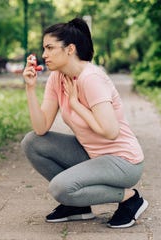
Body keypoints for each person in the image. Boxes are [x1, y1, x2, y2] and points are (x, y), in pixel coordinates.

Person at [21, 17, 148, 228]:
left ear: (70, 49)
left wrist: (75, 104)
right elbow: (40, 127)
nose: (44, 55)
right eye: (44, 48)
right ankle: (77, 206)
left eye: (50, 48)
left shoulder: (91, 78)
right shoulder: (57, 78)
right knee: (32, 142)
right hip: (92, 154)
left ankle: (130, 199)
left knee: (60, 188)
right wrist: (30, 88)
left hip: (123, 161)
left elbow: (110, 132)